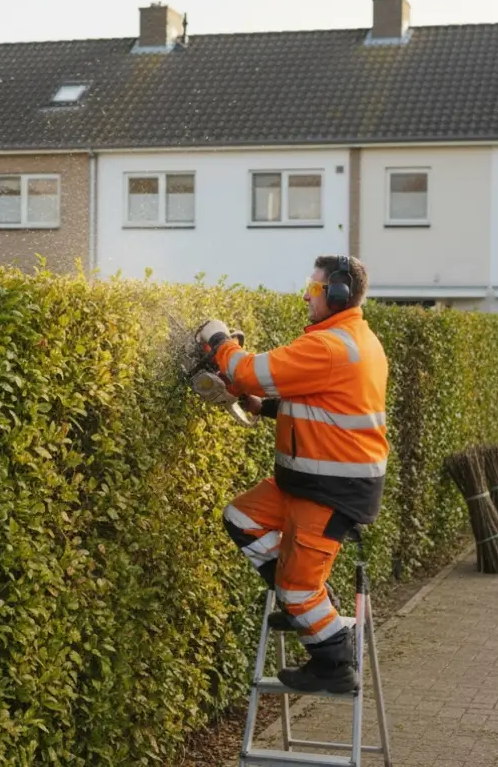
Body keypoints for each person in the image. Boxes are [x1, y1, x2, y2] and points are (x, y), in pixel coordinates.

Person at [194, 255, 388, 694]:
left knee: (301, 589)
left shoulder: (329, 347)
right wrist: (262, 407)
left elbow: (248, 372)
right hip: (309, 482)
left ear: (337, 293)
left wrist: (219, 340)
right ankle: (303, 606)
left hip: (330, 490)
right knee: (242, 518)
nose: (305, 295)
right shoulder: (352, 340)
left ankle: (334, 661)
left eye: (313, 288)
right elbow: (323, 403)